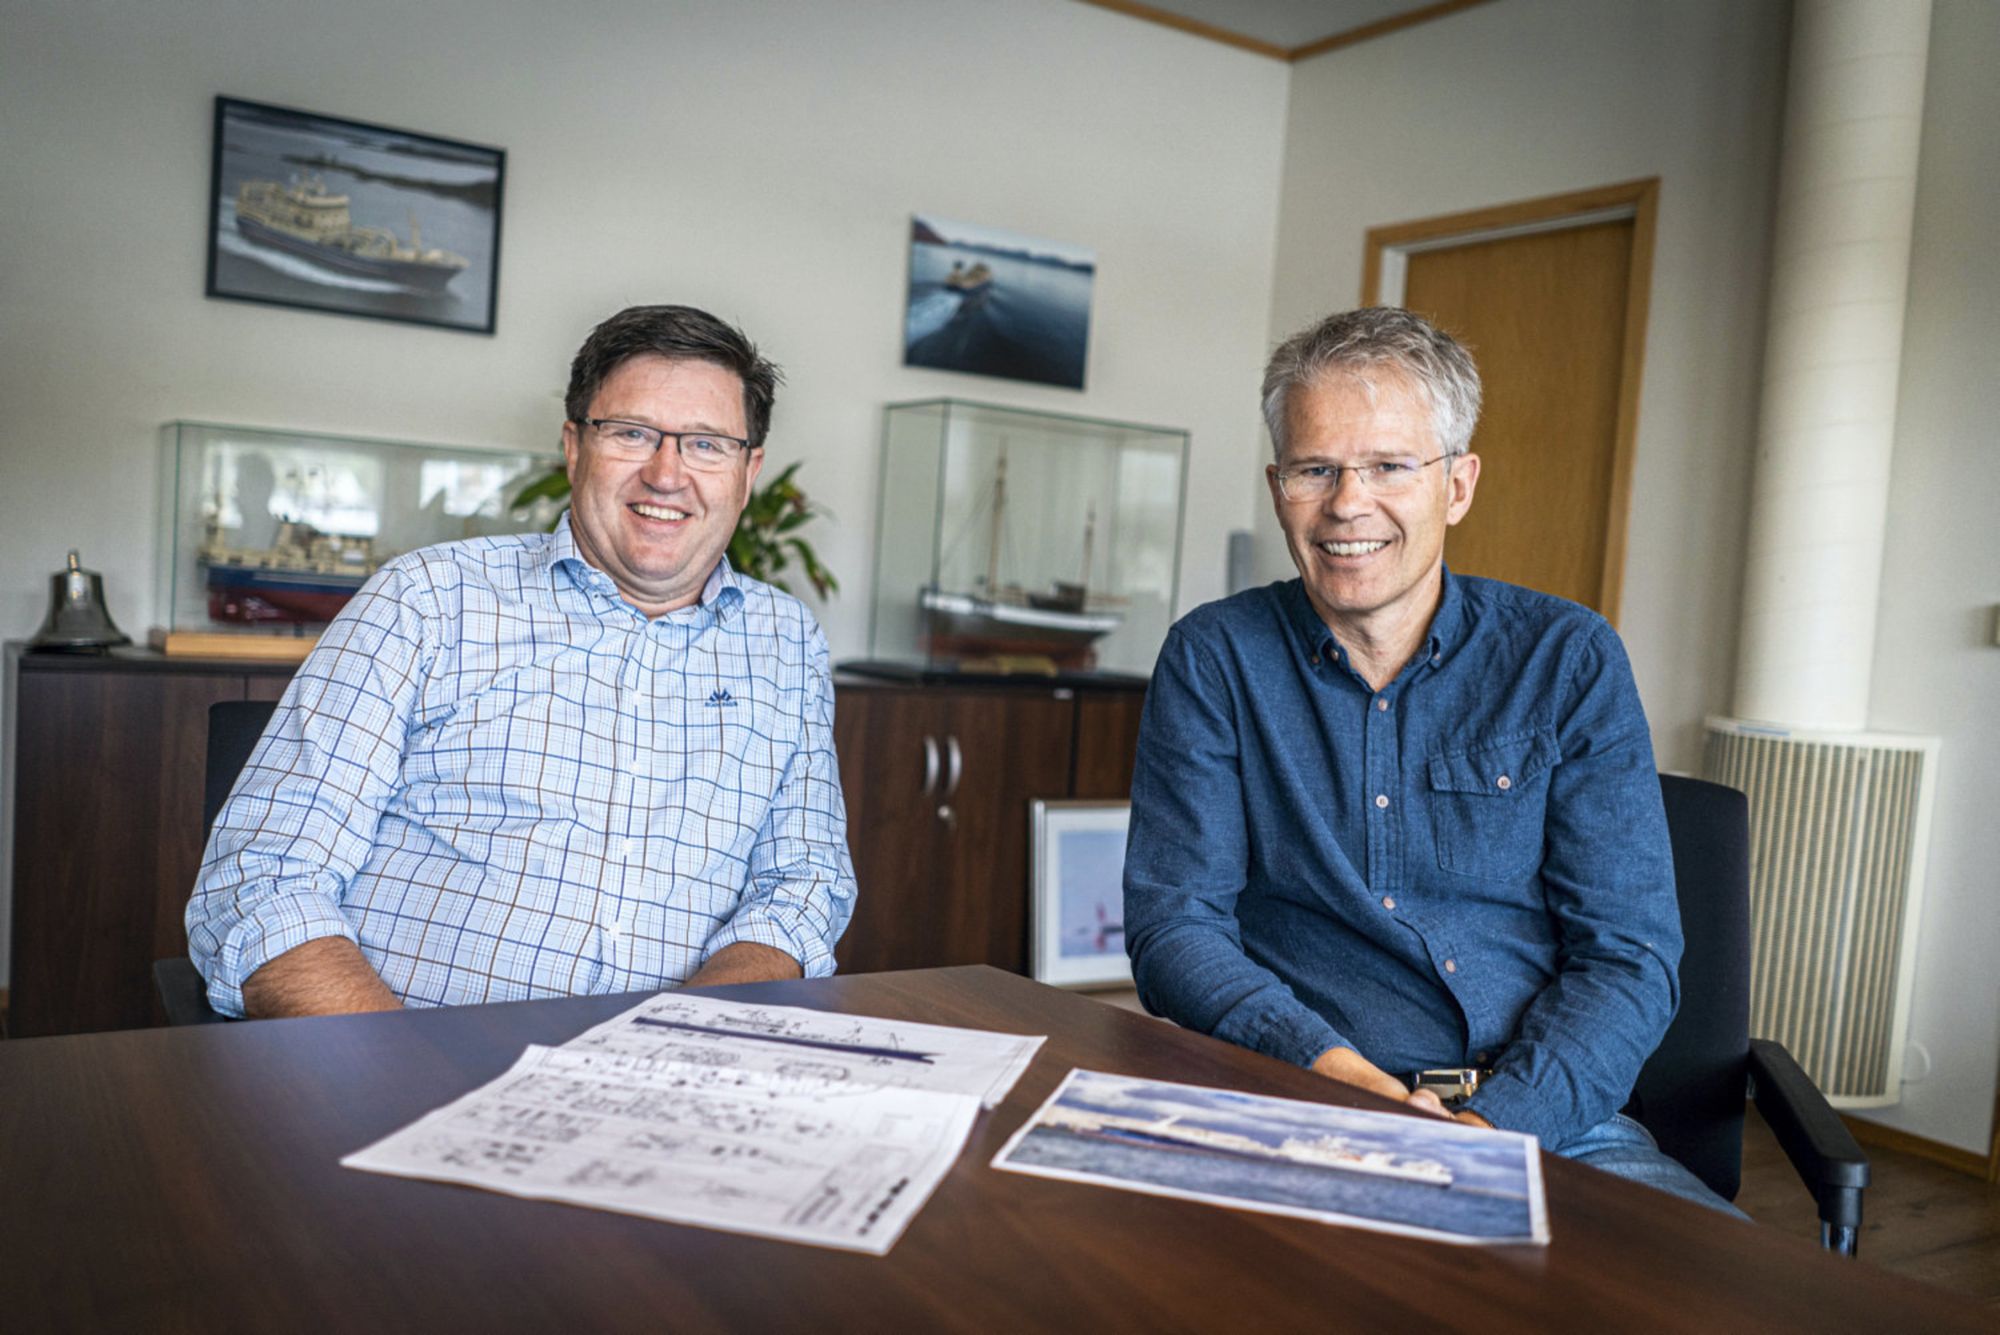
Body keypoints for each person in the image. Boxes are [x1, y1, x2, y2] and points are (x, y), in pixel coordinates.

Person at [1123, 306, 1734, 1211]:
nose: (1346, 503)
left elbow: (1629, 957)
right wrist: (1341, 1077)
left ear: (1458, 484)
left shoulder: (1567, 658)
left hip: (1546, 1120)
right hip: (1300, 1097)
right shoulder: (1216, 657)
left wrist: (1486, 1133)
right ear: (1276, 483)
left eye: (1388, 465)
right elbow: (1176, 926)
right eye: (1314, 468)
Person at [187, 305, 855, 1018]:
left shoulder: (787, 641)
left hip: (667, 1079)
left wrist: (681, 1044)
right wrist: (408, 1084)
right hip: (407, 1064)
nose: (668, 473)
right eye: (631, 433)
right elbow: (261, 882)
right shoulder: (428, 599)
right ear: (574, 446)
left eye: (707, 444)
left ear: (748, 470)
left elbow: (802, 885)